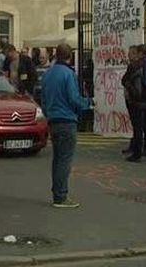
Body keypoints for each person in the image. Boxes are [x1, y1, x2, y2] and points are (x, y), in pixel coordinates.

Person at [41, 43, 93, 208]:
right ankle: (61, 196)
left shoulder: (48, 73)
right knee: (64, 160)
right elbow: (73, 98)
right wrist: (88, 103)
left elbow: (42, 97)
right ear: (70, 56)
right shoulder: (68, 74)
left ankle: (57, 192)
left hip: (53, 119)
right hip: (66, 119)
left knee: (57, 159)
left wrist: (48, 112)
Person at [121, 45, 143, 159]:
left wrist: (127, 85)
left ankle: (136, 150)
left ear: (135, 54)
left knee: (137, 125)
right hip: (141, 99)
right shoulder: (142, 66)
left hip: (134, 99)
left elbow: (124, 80)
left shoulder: (133, 66)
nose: (128, 55)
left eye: (130, 53)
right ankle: (136, 147)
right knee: (138, 125)